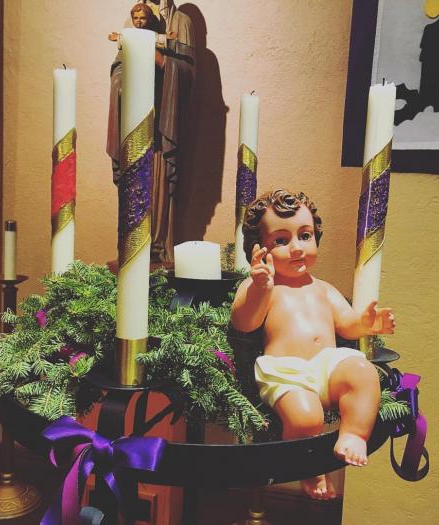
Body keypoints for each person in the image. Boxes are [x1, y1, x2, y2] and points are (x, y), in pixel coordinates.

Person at [231, 189, 395, 500]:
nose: (297, 247)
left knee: (362, 372)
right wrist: (260, 287)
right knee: (306, 418)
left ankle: (353, 434)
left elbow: (345, 323)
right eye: (281, 240)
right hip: (287, 373)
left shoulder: (323, 288)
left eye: (305, 236)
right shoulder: (262, 287)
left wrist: (366, 324)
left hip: (328, 364)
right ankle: (308, 469)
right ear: (259, 248)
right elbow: (245, 322)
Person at [107, 1, 196, 263]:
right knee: (133, 183)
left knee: (158, 182)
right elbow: (118, 68)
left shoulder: (181, 22)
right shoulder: (132, 20)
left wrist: (161, 60)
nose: (138, 21)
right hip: (134, 123)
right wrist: (121, 83)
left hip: (160, 124)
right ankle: (131, 247)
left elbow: (188, 73)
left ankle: (157, 247)